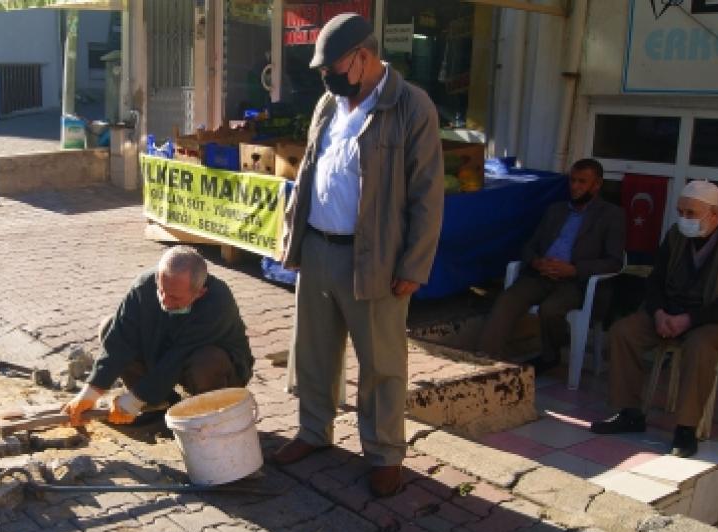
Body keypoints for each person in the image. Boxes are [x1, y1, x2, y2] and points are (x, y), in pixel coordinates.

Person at [267, 13, 445, 498]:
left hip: (377, 261)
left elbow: (428, 196)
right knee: (314, 352)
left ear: (363, 58)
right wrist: (295, 239)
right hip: (321, 248)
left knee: (381, 364)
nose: (327, 77)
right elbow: (309, 171)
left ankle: (385, 454)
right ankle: (313, 431)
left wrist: (413, 266)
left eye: (335, 66)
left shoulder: (411, 106)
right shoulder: (330, 102)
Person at [590, 180, 718, 457]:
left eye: (691, 213)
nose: (684, 219)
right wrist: (658, 312)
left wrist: (689, 320)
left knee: (700, 346)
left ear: (714, 214)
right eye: (681, 212)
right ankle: (630, 412)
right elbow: (655, 281)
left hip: (717, 318)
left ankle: (685, 428)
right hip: (670, 309)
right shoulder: (676, 235)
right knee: (624, 332)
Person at [62, 246, 254, 426]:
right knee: (109, 327)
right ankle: (157, 405)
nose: (164, 300)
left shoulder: (217, 302)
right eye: (161, 290)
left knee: (207, 361)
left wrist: (133, 399)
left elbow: (177, 357)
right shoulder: (143, 287)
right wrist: (91, 392)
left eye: (175, 297)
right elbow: (119, 339)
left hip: (214, 369)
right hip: (165, 353)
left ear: (200, 292)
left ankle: (209, 418)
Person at [476, 159, 625, 372]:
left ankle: (551, 354)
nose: (575, 186)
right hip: (540, 275)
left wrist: (573, 269)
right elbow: (529, 246)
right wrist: (537, 261)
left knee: (551, 310)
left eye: (582, 182)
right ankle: (484, 361)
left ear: (597, 184)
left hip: (574, 282)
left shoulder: (611, 215)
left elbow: (614, 261)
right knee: (508, 299)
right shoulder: (556, 210)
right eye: (572, 180)